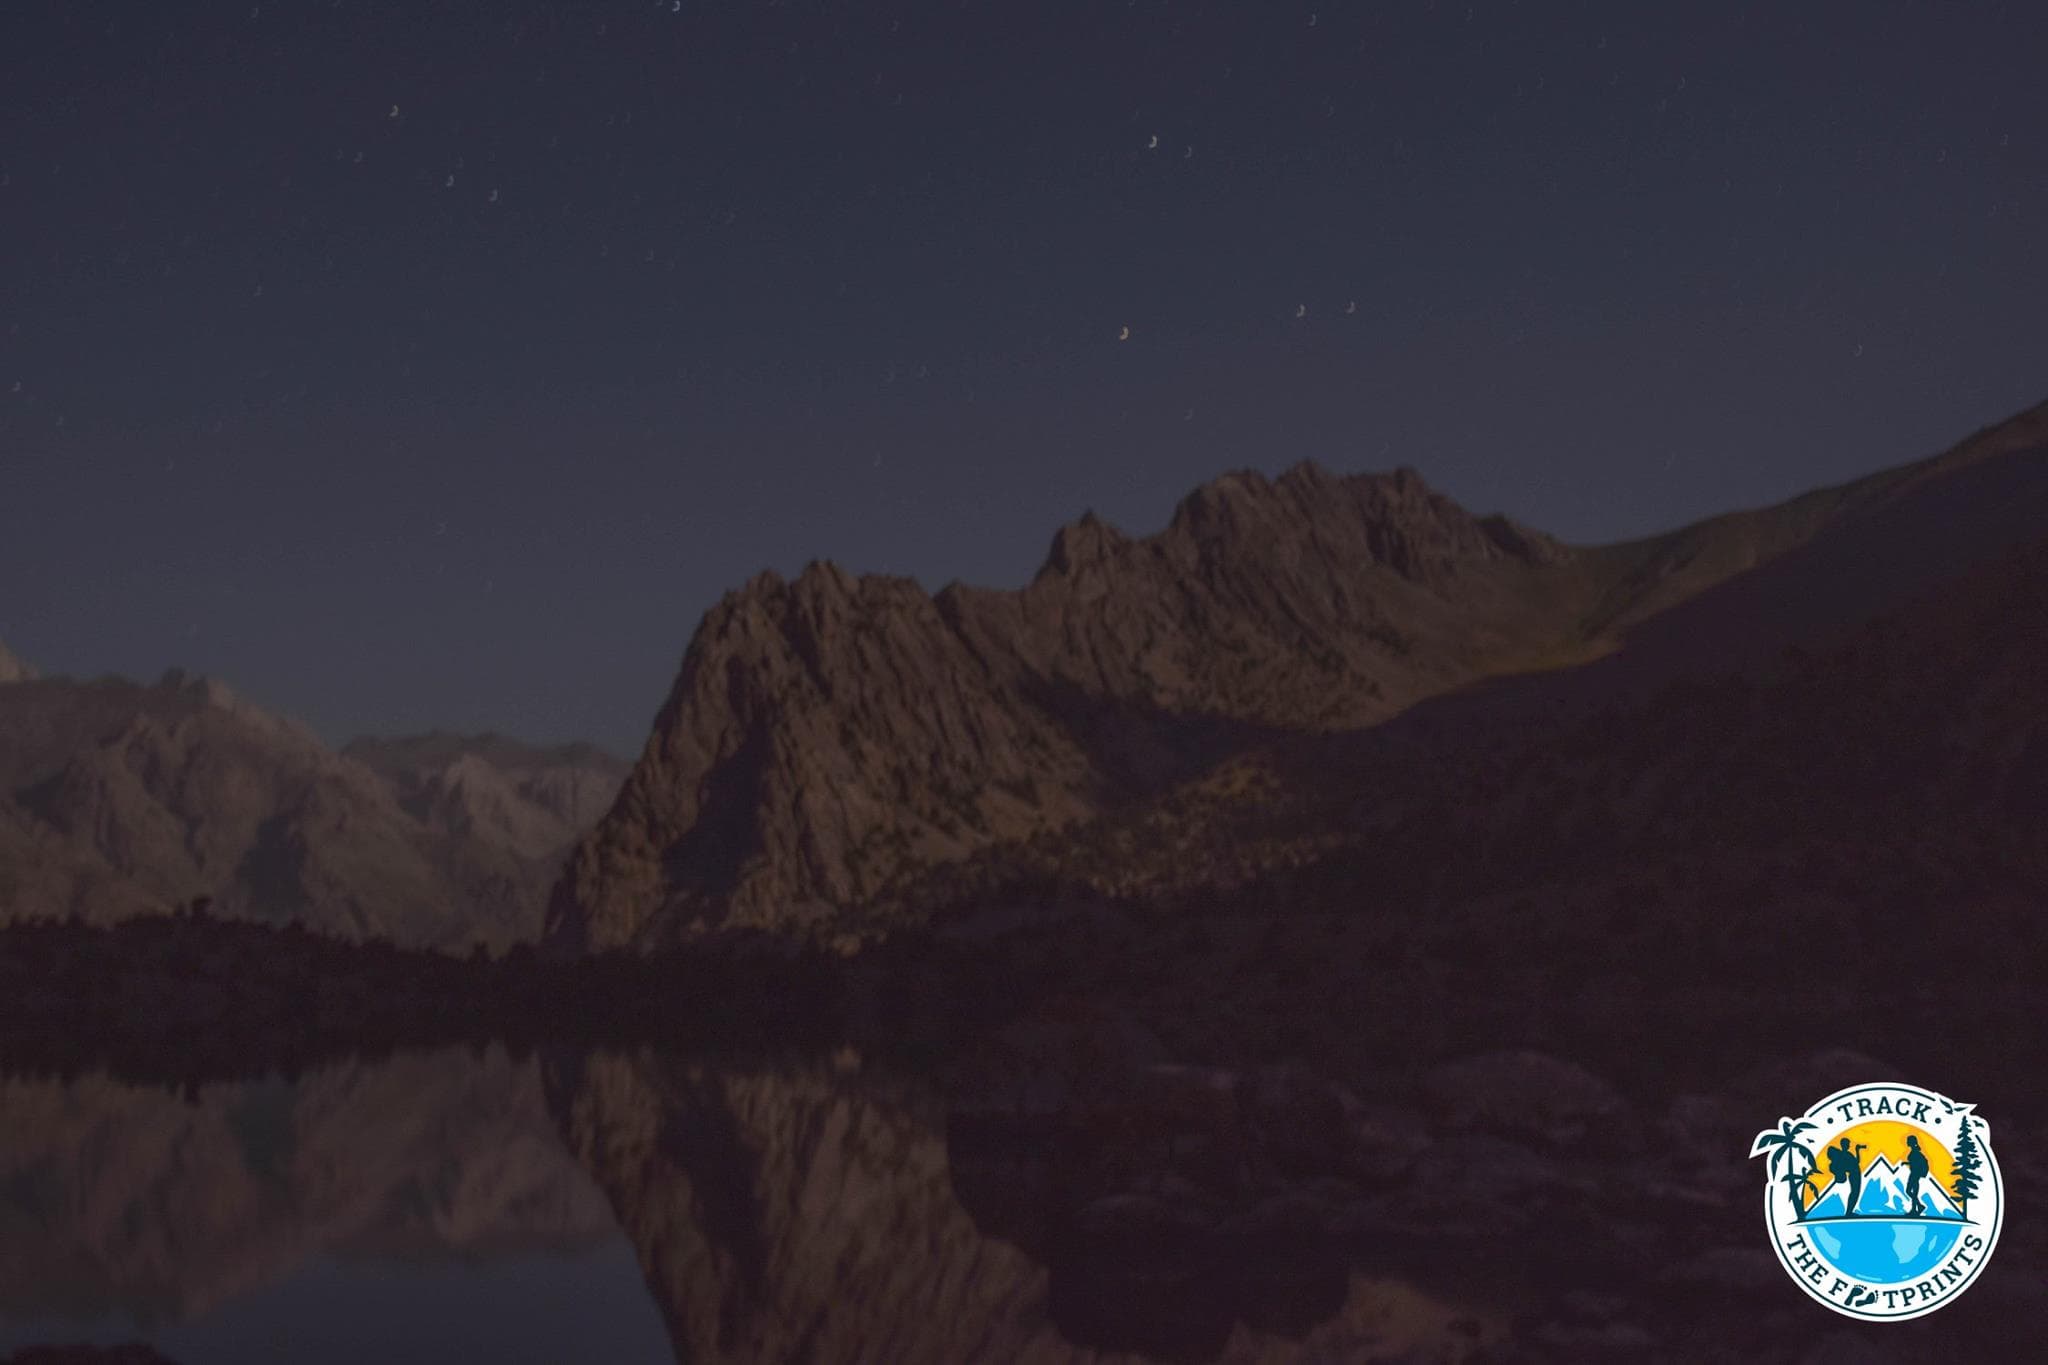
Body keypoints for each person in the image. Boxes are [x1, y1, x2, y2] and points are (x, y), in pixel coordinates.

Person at [1825, 1137, 1863, 1216]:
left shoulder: (1845, 1154)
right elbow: (1856, 1162)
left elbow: (1856, 1162)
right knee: (1854, 1193)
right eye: (1848, 1144)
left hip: (1855, 1174)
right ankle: (1849, 1212)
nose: (1849, 1146)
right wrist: (1857, 1150)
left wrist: (1857, 1150)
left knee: (1854, 1193)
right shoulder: (1845, 1155)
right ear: (1844, 1145)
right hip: (1854, 1174)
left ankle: (1849, 1211)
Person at [1904, 1135, 1930, 1216]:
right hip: (1915, 1174)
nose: (1906, 1142)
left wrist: (1909, 1163)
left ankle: (1915, 1209)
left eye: (1908, 1141)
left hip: (1915, 1174)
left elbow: (1916, 1163)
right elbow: (1914, 1162)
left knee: (1909, 1191)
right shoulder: (1915, 1151)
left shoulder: (1915, 1152)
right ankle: (1917, 1207)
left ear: (1911, 1142)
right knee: (1912, 1192)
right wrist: (1907, 1163)